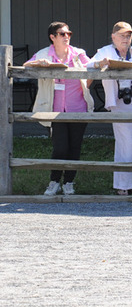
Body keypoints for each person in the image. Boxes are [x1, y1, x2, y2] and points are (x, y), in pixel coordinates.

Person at [25, 22, 95, 196]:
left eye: (68, 34)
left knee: (74, 147)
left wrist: (85, 86)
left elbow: (92, 69)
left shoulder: (78, 54)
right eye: (62, 34)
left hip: (78, 108)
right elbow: (25, 66)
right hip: (55, 110)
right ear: (52, 37)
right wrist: (39, 63)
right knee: (60, 148)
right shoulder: (43, 54)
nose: (66, 37)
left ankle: (69, 182)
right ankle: (54, 181)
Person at [90, 22, 132, 195]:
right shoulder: (106, 52)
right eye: (122, 35)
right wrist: (100, 64)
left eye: (128, 36)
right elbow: (89, 65)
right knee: (127, 143)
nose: (125, 39)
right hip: (122, 104)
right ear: (113, 37)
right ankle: (123, 185)